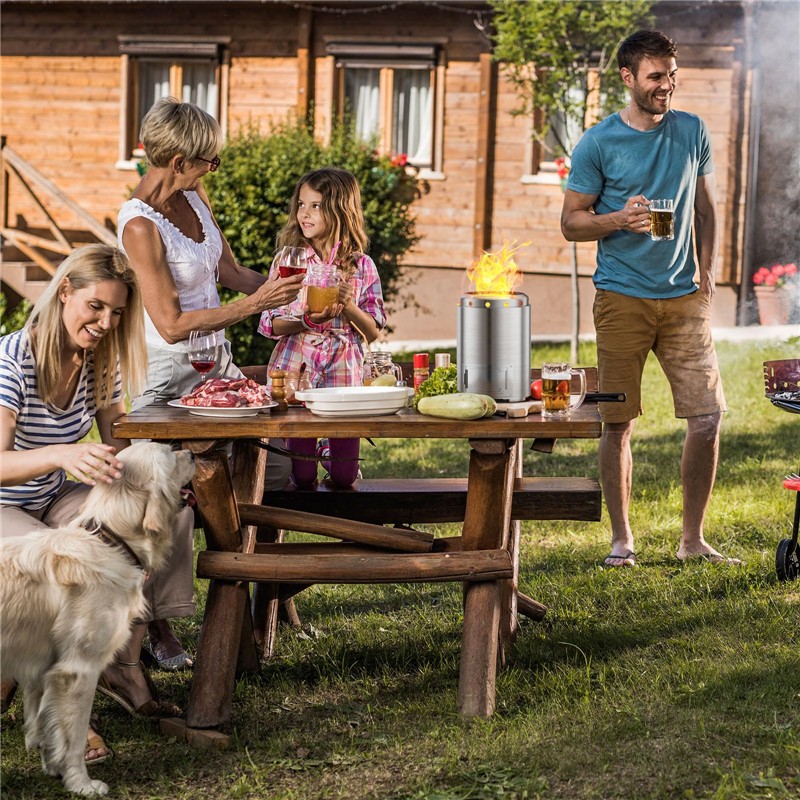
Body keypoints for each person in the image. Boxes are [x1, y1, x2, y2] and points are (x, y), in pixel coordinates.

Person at [117, 97, 304, 663]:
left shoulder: (195, 198)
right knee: (165, 497)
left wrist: (290, 287)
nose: (212, 171)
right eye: (208, 162)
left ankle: (258, 590)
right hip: (167, 376)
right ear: (176, 159)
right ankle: (158, 627)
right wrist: (254, 306)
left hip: (214, 365)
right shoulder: (138, 226)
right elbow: (170, 325)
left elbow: (229, 272)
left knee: (280, 464)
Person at [0, 244, 194, 765]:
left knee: (169, 518)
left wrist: (160, 483)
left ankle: (124, 661)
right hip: (5, 503)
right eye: (95, 307)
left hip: (54, 497)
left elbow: (120, 443)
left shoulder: (96, 360)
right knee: (51, 565)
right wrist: (62, 453)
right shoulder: (11, 360)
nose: (106, 322)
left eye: (116, 312)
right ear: (65, 292)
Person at [560, 29, 738, 568]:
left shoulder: (691, 131)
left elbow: (706, 207)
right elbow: (570, 224)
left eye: (671, 75)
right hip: (621, 298)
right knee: (619, 423)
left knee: (707, 417)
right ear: (628, 78)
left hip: (685, 297)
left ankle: (692, 540)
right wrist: (618, 219)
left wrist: (708, 269)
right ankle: (622, 541)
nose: (667, 85)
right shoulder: (598, 142)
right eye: (656, 76)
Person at [258, 167, 386, 487]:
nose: (304, 214)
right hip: (297, 367)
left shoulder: (361, 266)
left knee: (343, 477)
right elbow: (269, 322)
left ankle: (329, 446)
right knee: (301, 476)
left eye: (315, 206)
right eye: (301, 205)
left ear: (339, 210)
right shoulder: (291, 261)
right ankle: (310, 449)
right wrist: (306, 320)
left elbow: (373, 330)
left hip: (343, 371)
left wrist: (350, 305)